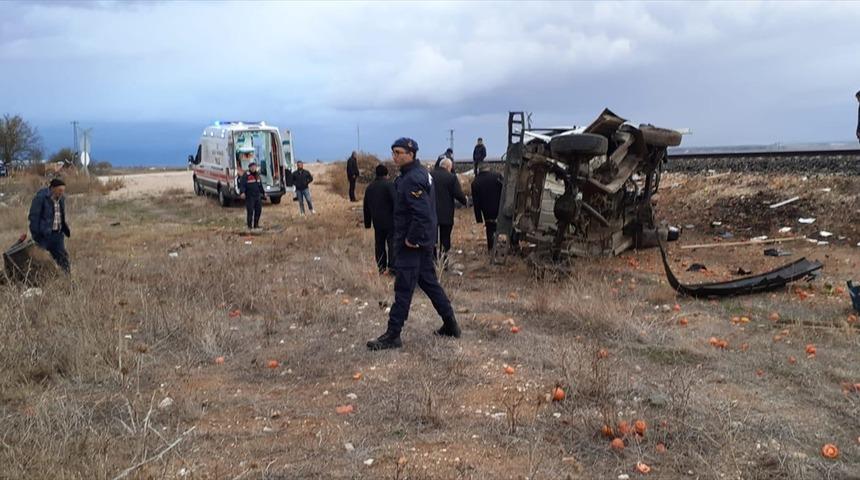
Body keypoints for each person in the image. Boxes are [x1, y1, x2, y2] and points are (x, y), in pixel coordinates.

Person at [367, 137, 460, 351]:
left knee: (403, 288)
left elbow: (422, 214)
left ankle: (393, 334)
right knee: (429, 283)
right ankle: (451, 324)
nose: (395, 156)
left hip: (413, 245)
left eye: (399, 152)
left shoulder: (412, 179)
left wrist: (412, 239)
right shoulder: (416, 174)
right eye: (393, 152)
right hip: (422, 243)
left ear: (411, 154)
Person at [28, 178, 71, 273]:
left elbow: (61, 216)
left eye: (63, 190)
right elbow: (33, 216)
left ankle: (68, 281)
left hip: (58, 235)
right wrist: (36, 235)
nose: (62, 193)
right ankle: (38, 281)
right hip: (43, 236)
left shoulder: (61, 199)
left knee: (63, 260)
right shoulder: (41, 197)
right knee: (39, 261)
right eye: (60, 190)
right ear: (52, 188)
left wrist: (64, 229)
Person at [431, 158, 467, 261]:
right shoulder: (451, 177)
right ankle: (443, 261)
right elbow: (458, 194)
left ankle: (432, 261)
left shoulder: (430, 175)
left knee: (432, 238)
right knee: (445, 239)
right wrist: (465, 202)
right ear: (448, 167)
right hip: (446, 214)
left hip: (431, 212)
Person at [363, 164, 397, 273]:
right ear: (386, 174)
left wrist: (367, 223)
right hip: (391, 221)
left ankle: (381, 267)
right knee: (392, 244)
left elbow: (366, 206)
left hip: (377, 222)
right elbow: (396, 202)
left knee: (379, 244)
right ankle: (392, 267)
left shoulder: (370, 187)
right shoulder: (390, 185)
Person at [471, 165, 504, 251]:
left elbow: (476, 202)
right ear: (489, 169)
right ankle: (513, 243)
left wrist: (479, 218)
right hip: (499, 206)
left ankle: (491, 248)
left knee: (490, 228)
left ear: (479, 171)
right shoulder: (497, 176)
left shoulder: (475, 182)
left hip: (486, 210)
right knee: (506, 226)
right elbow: (504, 189)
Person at [239, 160, 267, 230]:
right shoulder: (246, 175)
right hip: (250, 196)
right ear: (249, 168)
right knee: (250, 211)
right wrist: (242, 192)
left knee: (258, 210)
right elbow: (242, 184)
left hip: (257, 196)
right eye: (252, 167)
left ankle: (256, 225)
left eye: (254, 167)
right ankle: (249, 226)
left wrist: (264, 193)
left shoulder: (257, 175)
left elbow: (260, 185)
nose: (253, 168)